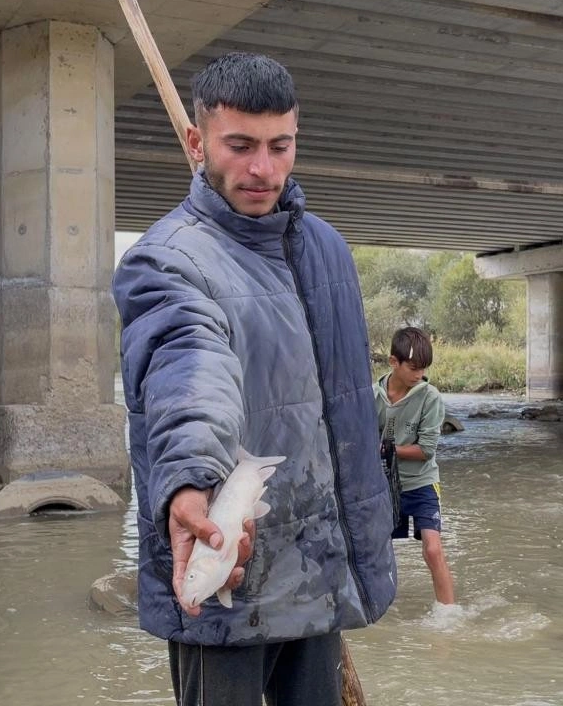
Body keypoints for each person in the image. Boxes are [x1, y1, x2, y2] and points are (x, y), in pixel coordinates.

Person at [112, 52, 397, 706]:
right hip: (224, 570)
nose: (262, 168)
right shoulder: (165, 259)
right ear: (196, 141)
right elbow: (187, 365)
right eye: (239, 146)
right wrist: (187, 481)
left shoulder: (326, 249)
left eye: (280, 145)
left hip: (321, 564)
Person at [375, 327, 455, 606]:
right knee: (377, 550)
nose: (419, 375)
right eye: (413, 368)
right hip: (385, 485)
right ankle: (379, 608)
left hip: (422, 482)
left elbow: (425, 450)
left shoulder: (430, 397)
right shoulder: (373, 395)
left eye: (423, 369)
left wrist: (387, 449)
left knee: (433, 550)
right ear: (393, 362)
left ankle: (448, 614)